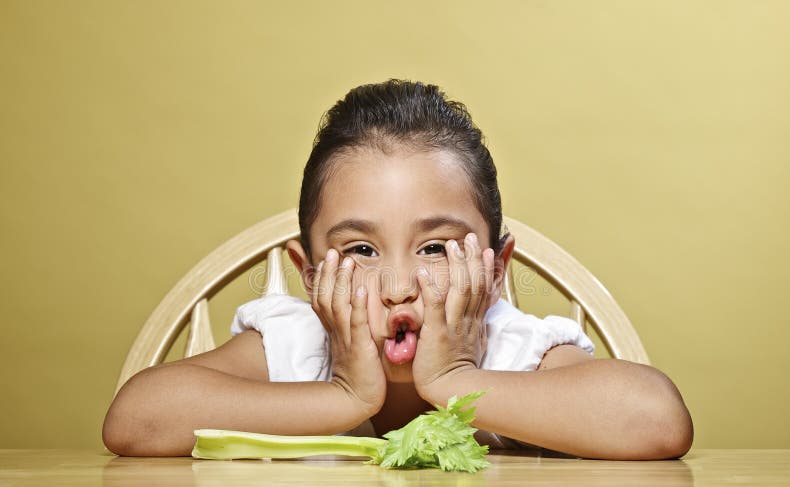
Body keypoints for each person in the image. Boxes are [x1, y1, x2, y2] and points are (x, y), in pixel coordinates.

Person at [103, 79, 693, 459]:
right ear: (308, 277)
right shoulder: (295, 345)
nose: (399, 287)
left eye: (435, 248)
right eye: (361, 251)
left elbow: (655, 420)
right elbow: (137, 421)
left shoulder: (514, 351)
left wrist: (456, 381)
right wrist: (343, 397)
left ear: (495, 270)